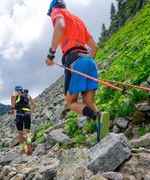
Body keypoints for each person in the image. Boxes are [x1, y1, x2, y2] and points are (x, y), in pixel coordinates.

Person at [45, 0, 110, 142]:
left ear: (52, 9)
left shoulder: (57, 12)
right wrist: (87, 63)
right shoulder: (77, 20)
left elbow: (60, 27)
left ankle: (96, 117)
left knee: (70, 102)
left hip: (74, 60)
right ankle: (103, 133)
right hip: (88, 61)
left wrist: (51, 54)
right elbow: (94, 47)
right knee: (88, 101)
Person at [9, 85, 37, 155]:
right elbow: (35, 105)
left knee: (20, 132)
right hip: (27, 114)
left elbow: (12, 96)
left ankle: (22, 149)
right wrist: (31, 112)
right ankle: (29, 145)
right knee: (27, 132)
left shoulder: (16, 93)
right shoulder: (28, 95)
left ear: (16, 90)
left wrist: (12, 108)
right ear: (22, 89)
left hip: (19, 114)